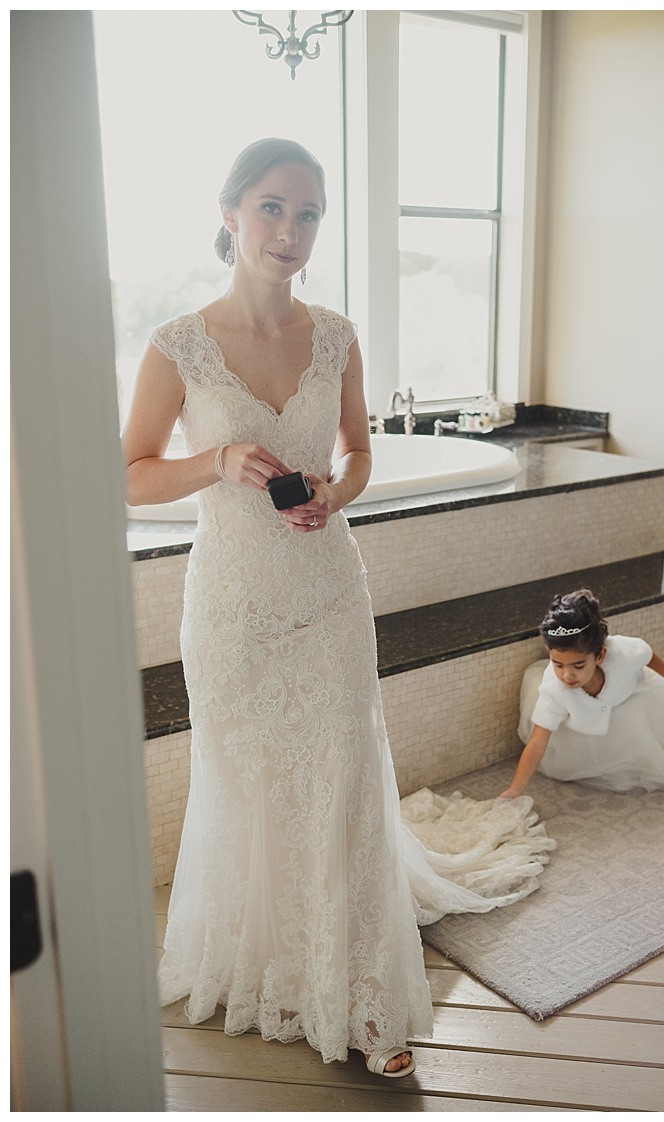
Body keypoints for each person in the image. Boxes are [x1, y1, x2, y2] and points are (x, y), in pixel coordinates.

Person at [125, 138, 551, 1080]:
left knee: (345, 781)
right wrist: (217, 463)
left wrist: (335, 489)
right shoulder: (178, 344)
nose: (290, 230)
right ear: (232, 211)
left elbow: (362, 452)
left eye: (309, 212)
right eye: (273, 207)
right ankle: (275, 961)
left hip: (327, 594)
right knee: (250, 782)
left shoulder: (338, 336)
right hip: (234, 604)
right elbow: (128, 475)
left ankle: (361, 1000)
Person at [505, 590, 664, 798]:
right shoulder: (554, 690)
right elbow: (538, 741)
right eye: (558, 665)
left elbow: (648, 655)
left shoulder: (622, 653)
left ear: (600, 656)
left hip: (627, 697)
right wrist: (515, 790)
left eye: (578, 666)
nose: (567, 675)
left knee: (637, 730)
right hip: (580, 723)